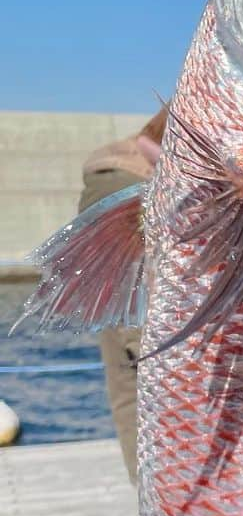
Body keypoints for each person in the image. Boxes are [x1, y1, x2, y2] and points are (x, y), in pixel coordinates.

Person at [77, 105, 165, 481]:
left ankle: (146, 487)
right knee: (150, 351)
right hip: (130, 185)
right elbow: (152, 145)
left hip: (107, 189)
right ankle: (162, 490)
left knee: (125, 367)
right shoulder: (214, 94)